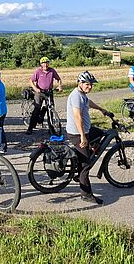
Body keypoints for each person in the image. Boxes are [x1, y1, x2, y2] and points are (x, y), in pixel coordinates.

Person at [66, 71, 111, 205]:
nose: (89, 87)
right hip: (76, 133)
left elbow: (88, 102)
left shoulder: (82, 95)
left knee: (101, 133)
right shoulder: (76, 96)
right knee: (86, 165)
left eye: (91, 85)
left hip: (86, 130)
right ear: (80, 83)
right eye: (87, 84)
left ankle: (83, 160)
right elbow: (77, 117)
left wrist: (101, 109)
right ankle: (86, 194)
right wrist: (82, 137)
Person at [26, 56, 63, 135]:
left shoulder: (52, 71)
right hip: (39, 92)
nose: (45, 65)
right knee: (36, 109)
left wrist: (60, 86)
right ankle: (30, 128)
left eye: (46, 63)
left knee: (51, 109)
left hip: (49, 92)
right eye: (43, 64)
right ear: (41, 64)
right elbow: (31, 80)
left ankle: (51, 128)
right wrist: (35, 89)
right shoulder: (38, 71)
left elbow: (58, 79)